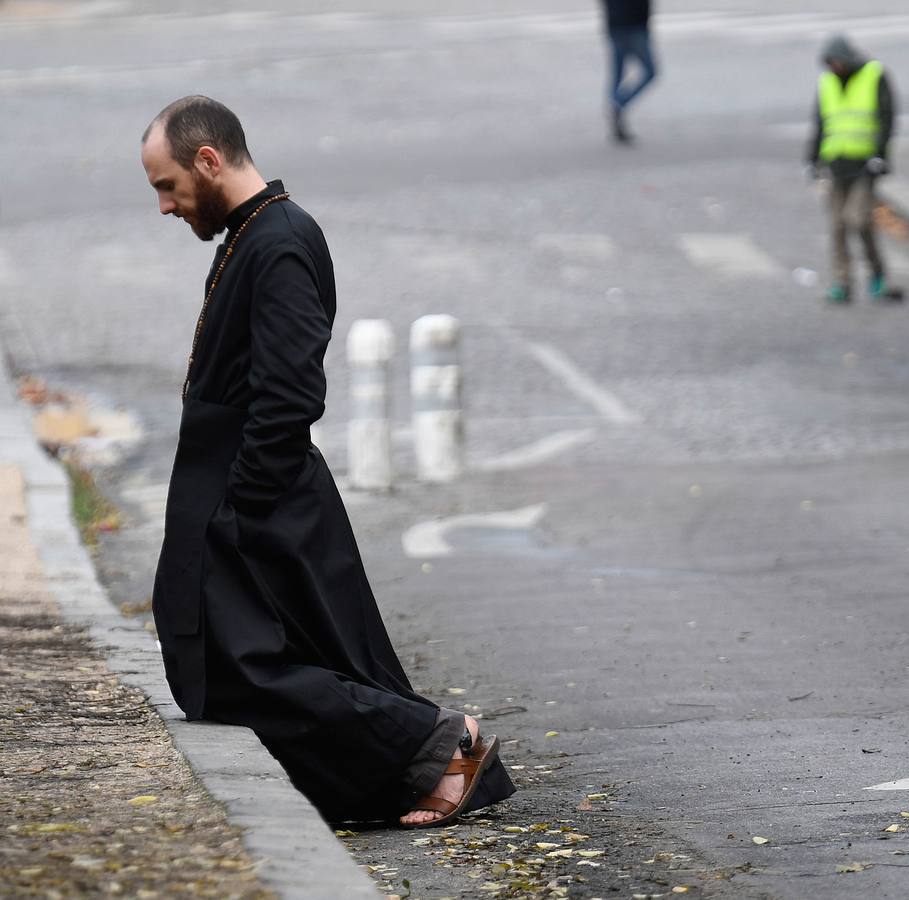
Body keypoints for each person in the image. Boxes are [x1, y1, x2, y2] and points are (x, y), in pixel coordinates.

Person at [138, 96, 515, 827]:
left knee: (244, 673)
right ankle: (420, 765)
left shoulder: (276, 241)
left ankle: (444, 745)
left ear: (208, 161)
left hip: (252, 493)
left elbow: (290, 390)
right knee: (239, 668)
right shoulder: (253, 233)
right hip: (237, 491)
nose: (164, 204)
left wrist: (240, 506)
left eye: (168, 185)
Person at [805, 34, 900, 304]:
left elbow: (886, 117)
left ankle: (877, 274)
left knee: (858, 220)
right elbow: (821, 122)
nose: (834, 68)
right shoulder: (827, 83)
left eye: (837, 62)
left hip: (864, 165)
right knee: (837, 225)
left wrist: (880, 154)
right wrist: (811, 159)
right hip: (836, 163)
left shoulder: (873, 74)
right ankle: (842, 282)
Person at [602, 0, 658, 144]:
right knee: (650, 71)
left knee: (617, 73)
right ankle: (618, 104)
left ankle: (616, 112)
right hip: (634, 26)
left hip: (614, 24)